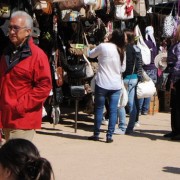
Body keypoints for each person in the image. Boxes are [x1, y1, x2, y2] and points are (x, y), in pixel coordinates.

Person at [0, 11, 52, 141]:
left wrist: (20, 106)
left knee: (17, 159)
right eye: (10, 27)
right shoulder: (6, 53)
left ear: (28, 31)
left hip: (22, 119)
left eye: (16, 28)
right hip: (5, 116)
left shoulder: (37, 56)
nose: (11, 32)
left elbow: (44, 87)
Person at [88, 29, 126, 143]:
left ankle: (96, 133)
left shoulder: (103, 46)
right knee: (113, 110)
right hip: (116, 85)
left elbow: (90, 54)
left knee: (99, 109)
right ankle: (109, 136)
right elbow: (122, 69)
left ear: (112, 36)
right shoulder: (122, 51)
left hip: (102, 83)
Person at [114, 29, 143, 135]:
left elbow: (122, 66)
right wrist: (139, 77)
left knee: (121, 103)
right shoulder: (137, 49)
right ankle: (130, 127)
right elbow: (140, 64)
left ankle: (122, 126)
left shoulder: (123, 49)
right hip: (134, 78)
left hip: (126, 78)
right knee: (131, 103)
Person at [164, 24, 180, 140]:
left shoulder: (178, 46)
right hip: (176, 77)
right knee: (174, 106)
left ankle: (177, 131)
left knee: (177, 106)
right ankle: (175, 130)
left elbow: (178, 64)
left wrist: (173, 78)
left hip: (178, 78)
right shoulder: (176, 45)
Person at [138, 26, 158, 115]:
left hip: (145, 68)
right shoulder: (154, 44)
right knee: (149, 89)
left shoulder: (144, 43)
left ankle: (138, 109)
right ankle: (145, 110)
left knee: (142, 88)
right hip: (153, 68)